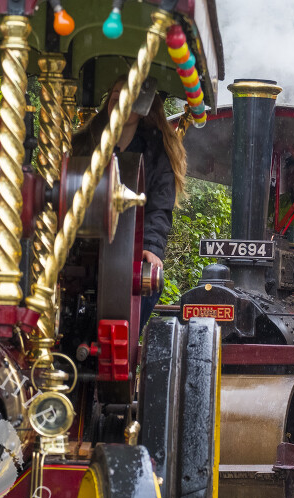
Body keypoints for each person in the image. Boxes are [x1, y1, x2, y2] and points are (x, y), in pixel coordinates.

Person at [71, 77, 187, 326]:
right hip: (79, 239)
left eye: (129, 92)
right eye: (115, 93)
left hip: (128, 246)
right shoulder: (82, 143)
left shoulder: (158, 153)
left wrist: (151, 248)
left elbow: (159, 209)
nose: (119, 98)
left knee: (149, 278)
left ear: (145, 105)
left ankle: (126, 342)